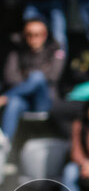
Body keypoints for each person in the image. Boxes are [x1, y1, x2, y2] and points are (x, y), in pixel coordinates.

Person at [0, 18, 65, 146]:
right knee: (14, 102)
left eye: (37, 34)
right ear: (24, 35)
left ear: (45, 35)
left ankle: (5, 97)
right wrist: (29, 83)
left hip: (45, 100)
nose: (33, 38)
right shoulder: (17, 51)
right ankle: (4, 145)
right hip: (23, 99)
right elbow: (10, 76)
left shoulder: (55, 50)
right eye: (29, 35)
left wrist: (27, 78)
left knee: (37, 77)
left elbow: (52, 76)